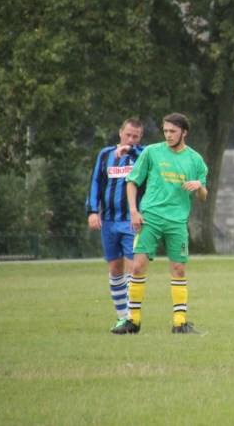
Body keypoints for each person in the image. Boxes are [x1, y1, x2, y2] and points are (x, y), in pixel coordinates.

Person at [112, 113, 208, 335]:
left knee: (179, 269)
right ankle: (133, 321)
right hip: (150, 218)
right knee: (137, 267)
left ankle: (180, 323)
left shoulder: (195, 160)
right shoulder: (151, 152)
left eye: (173, 131)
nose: (168, 135)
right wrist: (134, 211)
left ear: (184, 132)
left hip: (177, 221)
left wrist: (199, 187)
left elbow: (203, 197)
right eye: (165, 131)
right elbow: (132, 182)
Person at [85, 118, 145, 330]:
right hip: (109, 221)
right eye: (128, 135)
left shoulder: (143, 155)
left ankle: (131, 317)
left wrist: (131, 151)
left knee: (133, 268)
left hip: (132, 221)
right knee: (114, 268)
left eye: (135, 136)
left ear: (140, 138)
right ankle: (122, 317)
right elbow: (95, 182)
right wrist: (93, 211)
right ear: (120, 133)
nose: (131, 139)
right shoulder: (105, 154)